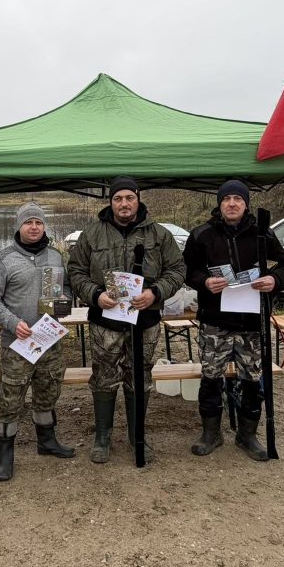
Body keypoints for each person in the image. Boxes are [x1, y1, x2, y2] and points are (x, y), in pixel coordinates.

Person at [67, 176, 185, 463]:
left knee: (140, 377)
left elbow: (177, 270)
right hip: (105, 321)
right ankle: (102, 437)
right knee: (104, 378)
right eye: (118, 198)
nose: (124, 203)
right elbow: (75, 271)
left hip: (145, 321)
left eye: (129, 198)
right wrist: (95, 295)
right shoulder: (92, 234)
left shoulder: (159, 234)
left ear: (138, 199)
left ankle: (137, 435)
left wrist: (155, 292)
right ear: (110, 202)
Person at [182, 180, 284, 461]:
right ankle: (211, 433)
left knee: (252, 380)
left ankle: (247, 434)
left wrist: (274, 280)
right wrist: (204, 281)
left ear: (246, 204)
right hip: (215, 322)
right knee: (211, 378)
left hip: (252, 323)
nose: (232, 203)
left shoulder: (262, 233)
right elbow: (186, 270)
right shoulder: (202, 235)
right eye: (226, 199)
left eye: (238, 199)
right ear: (219, 204)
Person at [0, 202, 75, 482]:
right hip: (17, 344)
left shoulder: (56, 257)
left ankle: (46, 441)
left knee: (48, 392)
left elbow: (66, 289)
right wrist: (12, 323)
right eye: (28, 222)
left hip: (49, 340)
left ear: (44, 226)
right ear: (19, 226)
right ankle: (5, 455)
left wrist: (65, 302)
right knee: (10, 400)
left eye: (38, 222)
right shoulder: (4, 260)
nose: (34, 227)